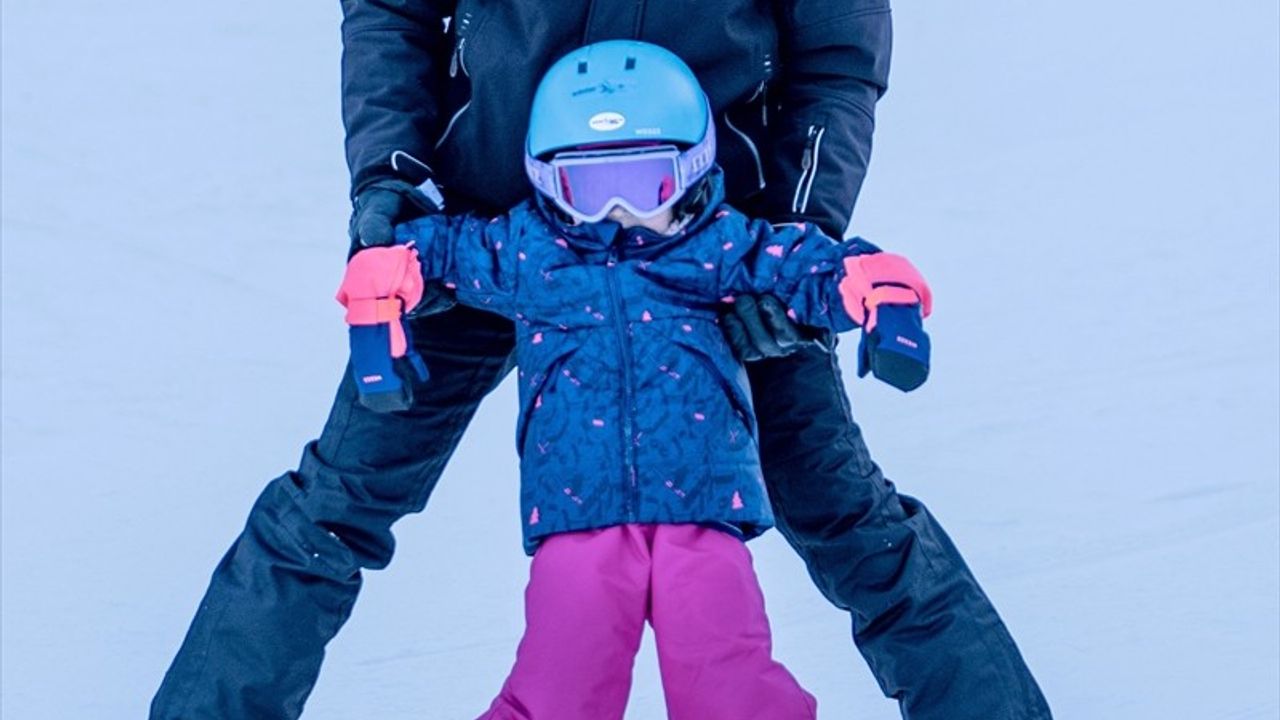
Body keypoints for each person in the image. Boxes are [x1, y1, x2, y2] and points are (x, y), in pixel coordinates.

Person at [150, 2, 1052, 719]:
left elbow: (836, 57)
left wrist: (800, 234)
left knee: (848, 516)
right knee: (332, 509)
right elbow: (391, 9)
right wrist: (394, 182)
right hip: (478, 231)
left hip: (702, 245)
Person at [337, 40, 930, 718]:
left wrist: (876, 291)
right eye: (586, 187)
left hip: (703, 513)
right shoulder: (528, 250)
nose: (614, 210)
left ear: (694, 169)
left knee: (728, 683)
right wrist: (383, 285)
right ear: (544, 177)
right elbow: (430, 250)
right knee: (558, 687)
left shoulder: (718, 244)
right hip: (576, 517)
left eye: (646, 181)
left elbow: (807, 266)